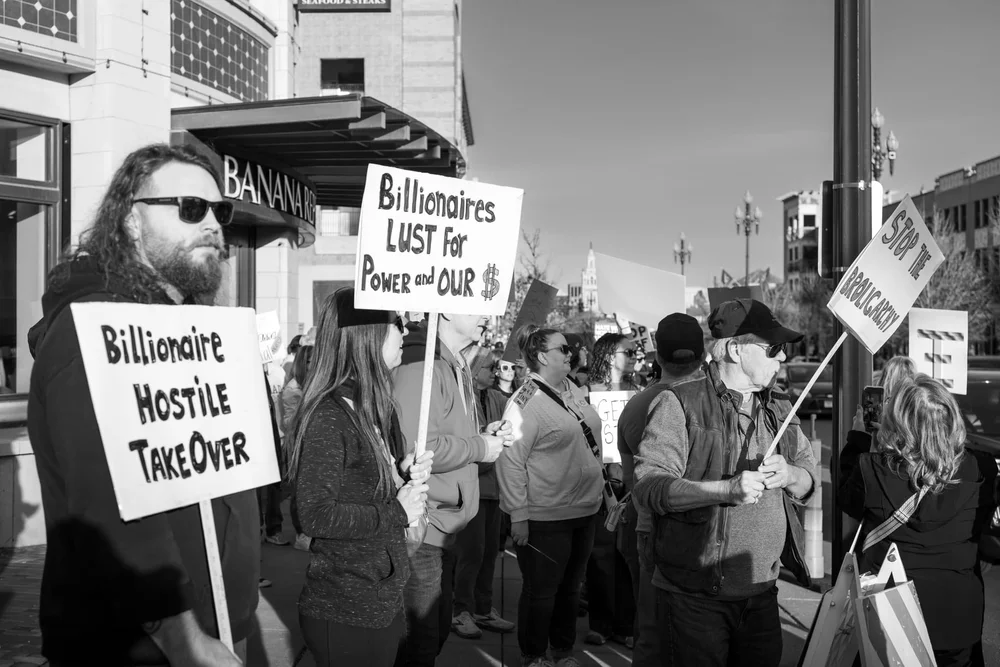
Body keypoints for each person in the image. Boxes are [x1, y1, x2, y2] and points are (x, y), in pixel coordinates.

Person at [26, 143, 257, 666]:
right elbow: (107, 503)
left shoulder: (192, 327)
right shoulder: (92, 332)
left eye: (220, 211)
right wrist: (185, 641)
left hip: (216, 620)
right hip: (136, 643)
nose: (213, 225)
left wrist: (231, 618)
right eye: (190, 208)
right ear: (131, 221)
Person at [633, 298, 818, 667]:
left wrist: (792, 475)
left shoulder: (780, 405)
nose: (782, 358)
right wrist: (726, 490)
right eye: (773, 348)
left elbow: (809, 482)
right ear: (734, 349)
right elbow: (649, 487)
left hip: (763, 592)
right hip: (696, 597)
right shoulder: (679, 402)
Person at [285, 288, 433, 666]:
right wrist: (395, 512)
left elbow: (364, 484)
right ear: (368, 334)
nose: (405, 331)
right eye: (396, 323)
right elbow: (313, 515)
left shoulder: (374, 406)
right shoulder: (328, 416)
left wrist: (399, 473)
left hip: (379, 597)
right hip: (345, 609)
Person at [839, 375, 997, 667]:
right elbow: (981, 523)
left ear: (897, 421)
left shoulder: (872, 470)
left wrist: (858, 440)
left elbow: (846, 500)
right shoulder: (981, 467)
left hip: (893, 615)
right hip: (958, 617)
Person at [392, 313, 510, 666]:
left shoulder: (453, 362)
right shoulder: (420, 364)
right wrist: (479, 447)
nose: (487, 315)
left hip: (443, 526)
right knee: (420, 645)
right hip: (423, 529)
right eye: (476, 306)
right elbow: (419, 448)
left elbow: (449, 432)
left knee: (433, 635)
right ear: (445, 310)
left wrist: (484, 437)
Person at [497, 325, 604, 667]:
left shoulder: (570, 387)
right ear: (542, 356)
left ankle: (562, 651)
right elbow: (511, 461)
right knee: (542, 592)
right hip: (545, 517)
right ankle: (534, 655)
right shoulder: (526, 401)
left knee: (570, 589)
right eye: (562, 349)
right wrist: (518, 516)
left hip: (584, 510)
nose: (570, 353)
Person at [617, 313, 705, 662]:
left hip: (648, 528)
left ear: (657, 358)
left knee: (653, 630)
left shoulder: (636, 405)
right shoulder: (715, 404)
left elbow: (629, 479)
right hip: (703, 533)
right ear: (702, 357)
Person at [451, 350, 517, 639]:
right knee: (471, 552)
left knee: (490, 552)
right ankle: (459, 610)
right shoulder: (462, 399)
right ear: (474, 370)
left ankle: (482, 607)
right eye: (489, 367)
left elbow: (516, 415)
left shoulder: (496, 398)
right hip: (471, 486)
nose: (495, 371)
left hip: (493, 489)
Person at [280, 343, 315, 551]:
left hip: (308, 441)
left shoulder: (310, 384)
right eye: (311, 361)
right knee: (299, 491)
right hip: (297, 444)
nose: (316, 364)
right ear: (303, 363)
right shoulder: (294, 389)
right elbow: (290, 422)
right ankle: (301, 534)